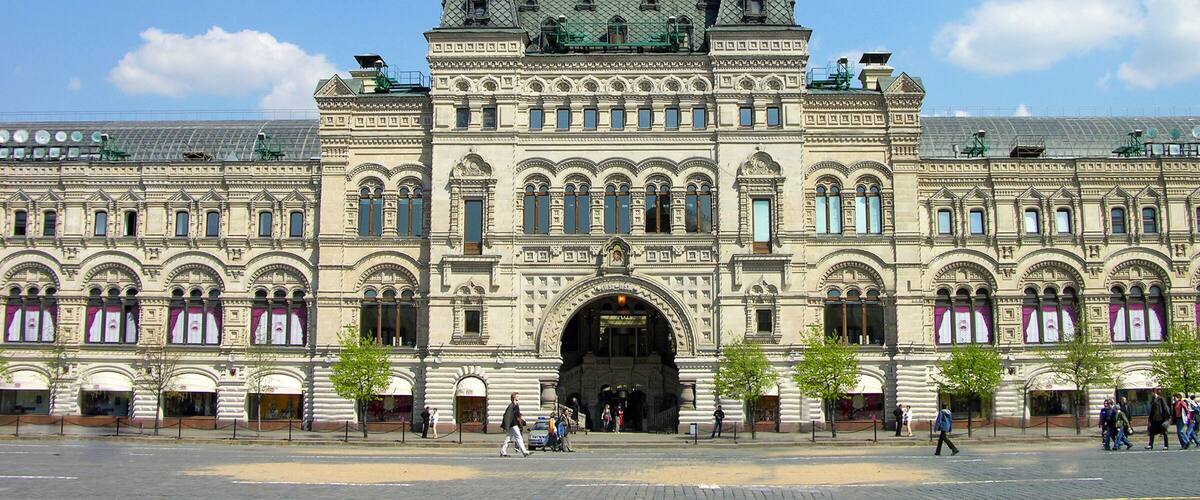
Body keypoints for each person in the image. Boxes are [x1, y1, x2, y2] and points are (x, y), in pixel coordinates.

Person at [499, 392, 529, 458]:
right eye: (517, 396)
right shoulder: (511, 406)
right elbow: (507, 416)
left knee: (508, 438)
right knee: (519, 437)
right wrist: (506, 427)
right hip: (512, 424)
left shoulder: (516, 405)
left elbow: (518, 415)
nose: (519, 397)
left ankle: (502, 451)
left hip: (514, 424)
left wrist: (522, 419)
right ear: (514, 397)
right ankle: (524, 452)